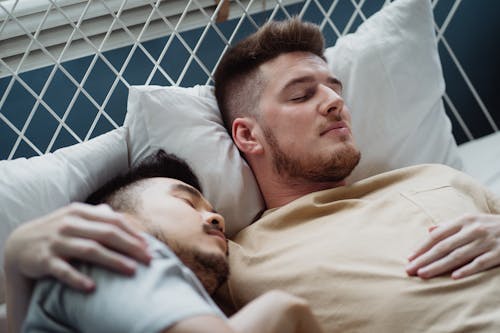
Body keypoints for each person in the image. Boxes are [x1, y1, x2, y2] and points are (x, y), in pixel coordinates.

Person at [210, 18, 500, 332]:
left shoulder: (435, 177)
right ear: (248, 136)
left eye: (336, 90)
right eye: (301, 96)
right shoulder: (239, 264)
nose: (335, 102)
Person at [4, 150, 324, 333]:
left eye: (214, 212)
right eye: (187, 203)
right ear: (118, 219)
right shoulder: (108, 249)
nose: (217, 220)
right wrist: (281, 309)